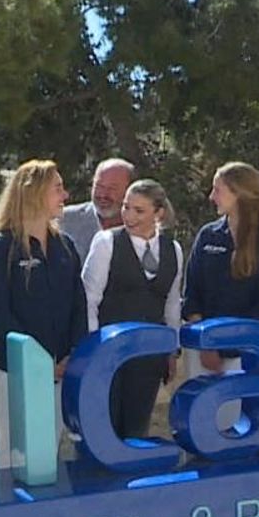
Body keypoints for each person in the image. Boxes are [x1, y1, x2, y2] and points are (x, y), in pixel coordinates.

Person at [0, 160, 88, 469]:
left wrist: (73, 353)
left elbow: (79, 303)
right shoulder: (0, 248)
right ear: (33, 193)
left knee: (47, 447)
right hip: (14, 369)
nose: (64, 196)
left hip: (60, 369)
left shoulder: (65, 246)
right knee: (12, 449)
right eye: (57, 189)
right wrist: (35, 360)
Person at [81, 178, 184, 439]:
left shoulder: (174, 250)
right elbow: (89, 299)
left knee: (137, 429)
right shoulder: (106, 243)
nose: (128, 216)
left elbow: (171, 303)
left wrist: (171, 351)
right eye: (126, 207)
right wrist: (94, 350)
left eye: (139, 210)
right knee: (105, 428)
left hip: (149, 356)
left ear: (158, 213)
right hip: (110, 355)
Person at [182, 161, 259, 427]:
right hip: (203, 352)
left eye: (218, 190)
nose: (211, 196)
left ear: (238, 193)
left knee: (235, 426)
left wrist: (229, 347)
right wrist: (208, 344)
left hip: (243, 353)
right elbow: (191, 293)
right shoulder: (208, 236)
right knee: (202, 423)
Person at [59, 158, 134, 263]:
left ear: (130, 191)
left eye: (112, 188)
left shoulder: (140, 226)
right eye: (99, 186)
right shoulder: (64, 220)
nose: (103, 194)